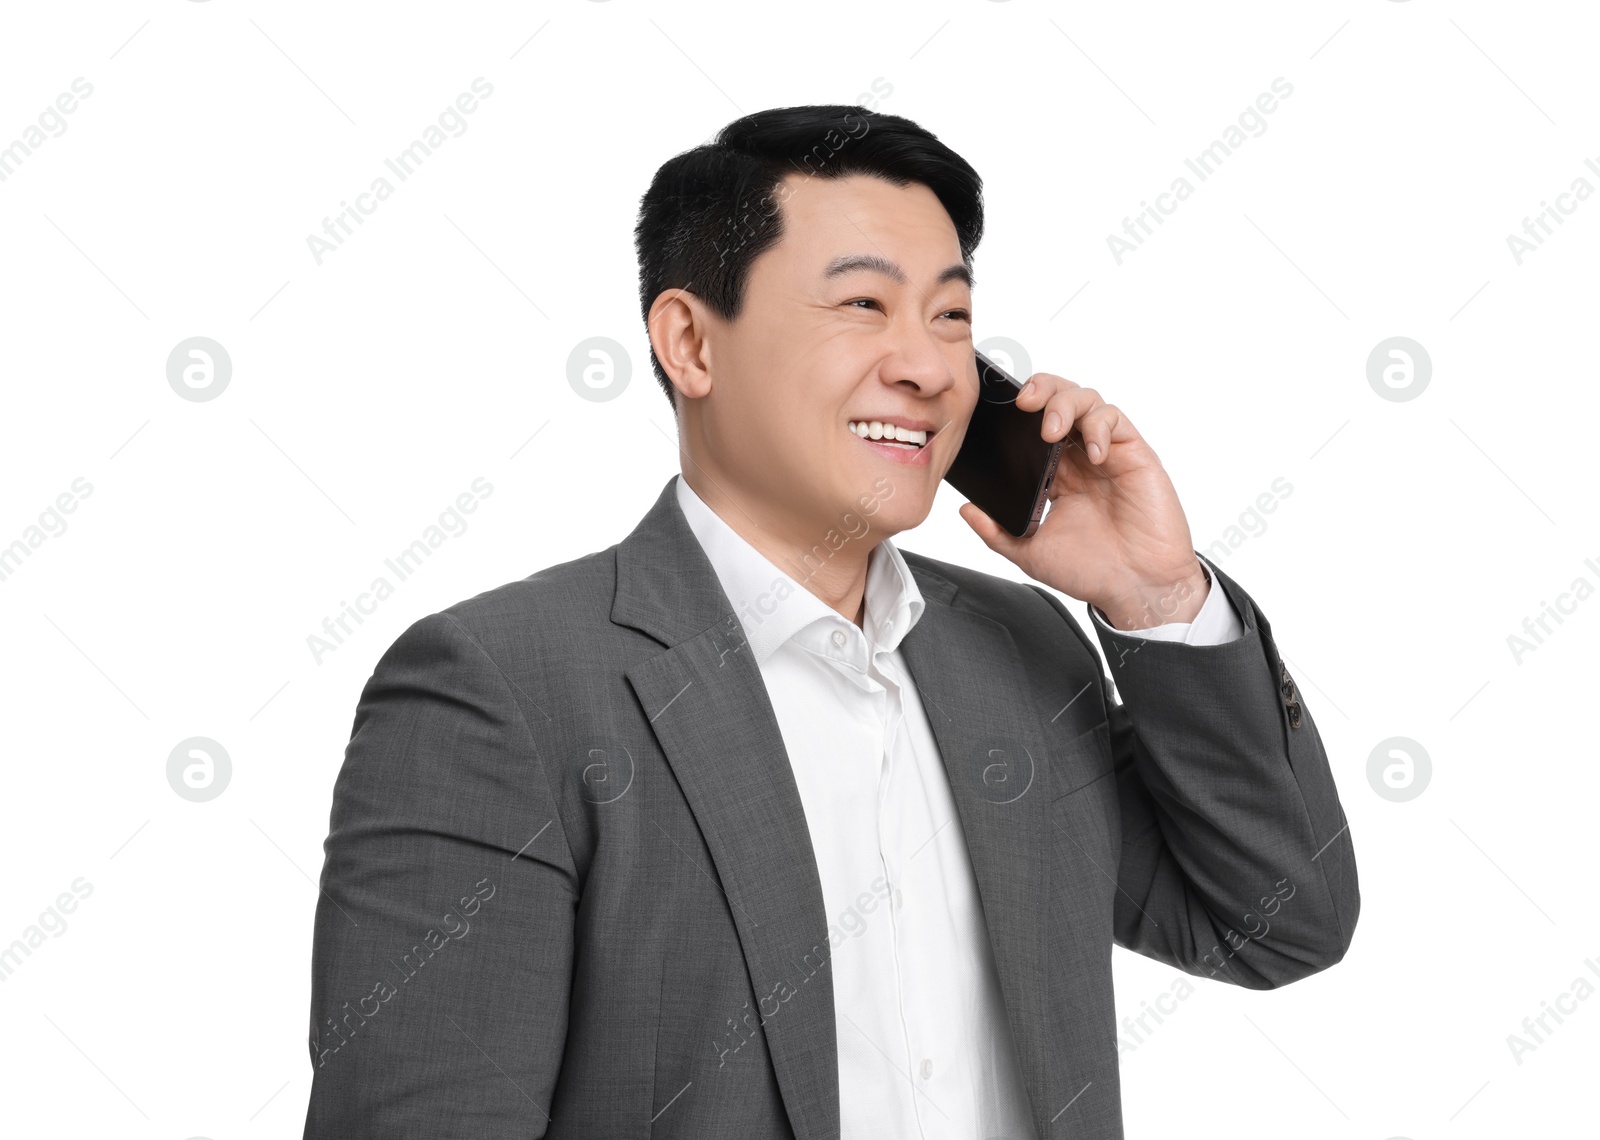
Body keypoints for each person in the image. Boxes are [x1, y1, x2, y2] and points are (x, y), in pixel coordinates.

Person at [301, 104, 1358, 1140]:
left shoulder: (1022, 650)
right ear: (689, 344)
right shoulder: (503, 688)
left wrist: (1154, 597)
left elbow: (1277, 924)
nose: (931, 367)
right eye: (863, 306)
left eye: (950, 316)